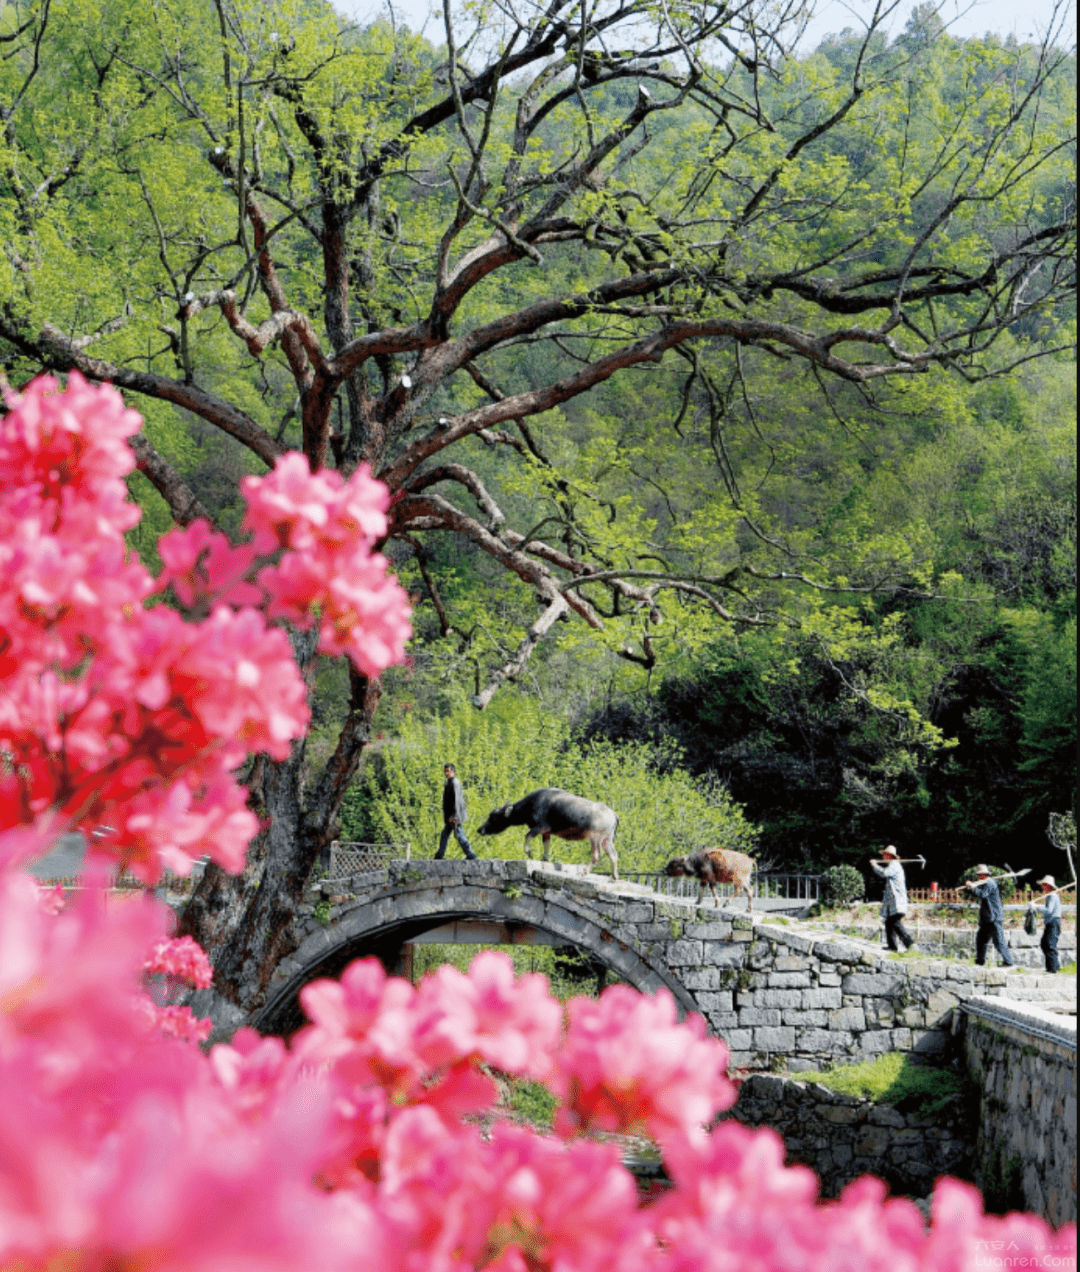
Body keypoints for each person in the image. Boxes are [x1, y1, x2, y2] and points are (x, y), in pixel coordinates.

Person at [964, 865, 1014, 967]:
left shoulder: (990, 883)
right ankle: (980, 962)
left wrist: (973, 887)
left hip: (994, 918)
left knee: (999, 941)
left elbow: (983, 894)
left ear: (983, 875)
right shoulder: (984, 883)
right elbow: (979, 894)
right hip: (987, 919)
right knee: (980, 940)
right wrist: (973, 887)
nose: (977, 877)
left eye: (978, 875)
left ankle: (1008, 962)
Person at [870, 845, 914, 951]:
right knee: (889, 922)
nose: (883, 857)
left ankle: (909, 943)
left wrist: (875, 865)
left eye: (885, 855)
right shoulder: (892, 865)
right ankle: (892, 946)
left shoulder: (894, 865)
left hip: (898, 900)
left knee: (894, 921)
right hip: (893, 902)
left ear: (889, 856)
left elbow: (884, 873)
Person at [434, 763, 477, 860]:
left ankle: (471, 855)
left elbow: (457, 801)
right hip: (450, 816)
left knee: (460, 836)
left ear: (453, 771)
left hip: (454, 816)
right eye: (445, 771)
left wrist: (455, 816)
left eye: (448, 771)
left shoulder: (455, 783)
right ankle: (439, 855)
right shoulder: (449, 782)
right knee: (445, 834)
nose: (446, 773)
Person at [1038, 875, 1062, 973]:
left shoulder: (1053, 896)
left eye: (1044, 884)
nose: (1042, 886)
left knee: (1050, 945)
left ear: (1048, 885)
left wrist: (1036, 907)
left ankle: (1052, 969)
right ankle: (1054, 965)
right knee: (1044, 944)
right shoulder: (1049, 896)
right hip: (1050, 923)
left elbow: (1049, 910)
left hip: (1053, 923)